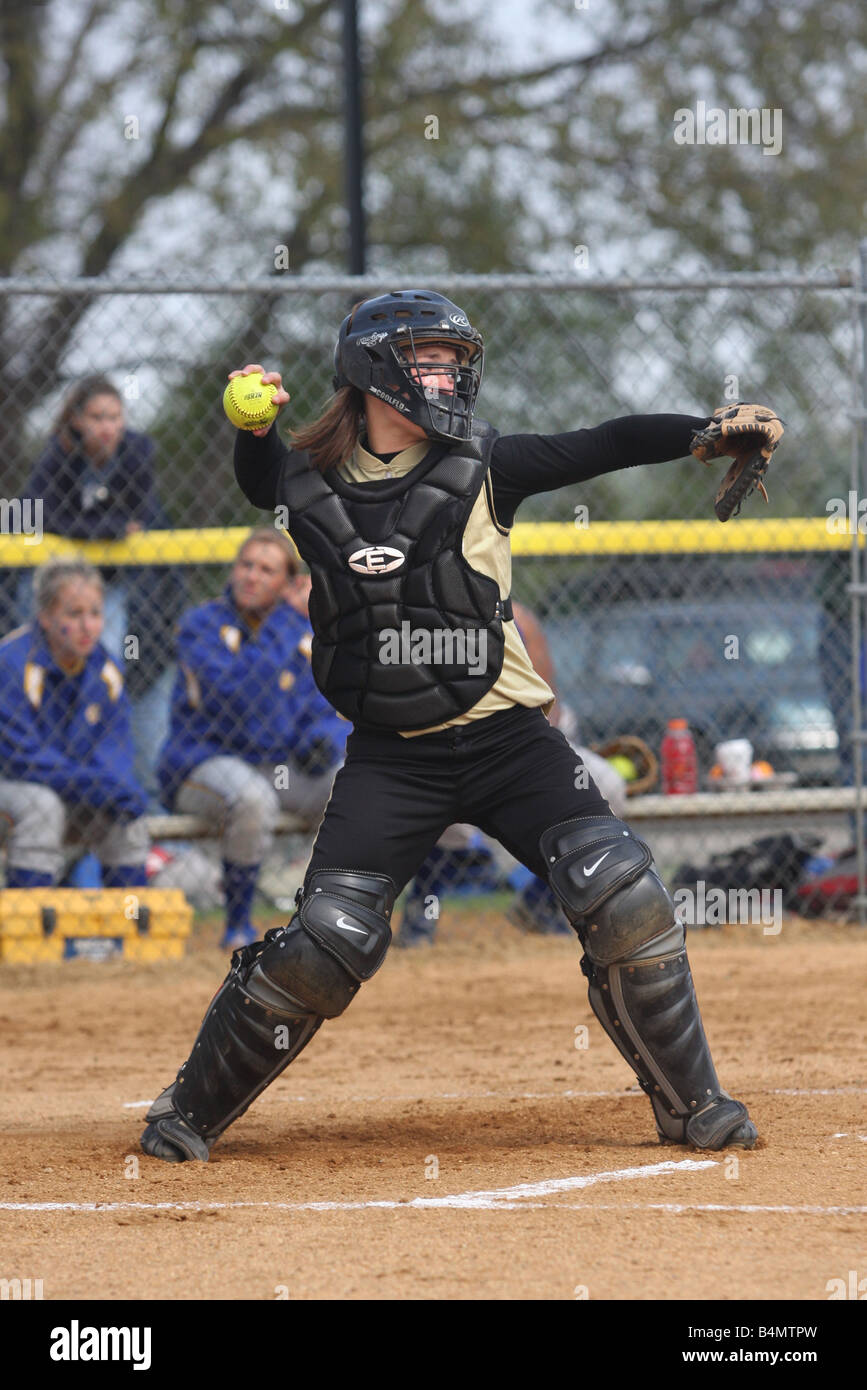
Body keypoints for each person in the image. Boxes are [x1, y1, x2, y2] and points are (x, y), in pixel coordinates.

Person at [141, 288, 770, 1164]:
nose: (447, 373)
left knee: (622, 895)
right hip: (392, 758)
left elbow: (606, 442)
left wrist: (703, 432)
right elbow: (263, 483)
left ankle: (693, 1104)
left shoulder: (486, 465)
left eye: (452, 359)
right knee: (326, 944)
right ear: (371, 372)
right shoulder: (310, 479)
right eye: (428, 357)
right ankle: (184, 1114)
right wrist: (252, 428)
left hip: (510, 741)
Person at [156, 529, 349, 949]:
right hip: (204, 763)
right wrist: (285, 621)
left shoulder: (297, 632)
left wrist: (320, 740)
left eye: (267, 570)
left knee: (349, 786)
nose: (252, 576)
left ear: (287, 583)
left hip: (273, 767)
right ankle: (238, 926)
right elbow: (240, 702)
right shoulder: (200, 626)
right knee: (251, 798)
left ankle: (324, 918)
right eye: (246, 565)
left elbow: (324, 708)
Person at [19, 376, 187, 794]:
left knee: (107, 649)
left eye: (114, 416)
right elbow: (39, 517)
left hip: (113, 585)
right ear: (76, 421)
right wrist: (108, 529)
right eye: (96, 417)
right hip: (62, 579)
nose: (107, 427)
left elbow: (142, 516)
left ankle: (106, 762)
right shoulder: (58, 455)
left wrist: (89, 530)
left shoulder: (137, 450)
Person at [0, 559, 148, 888]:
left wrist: (115, 785)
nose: (87, 626)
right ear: (45, 617)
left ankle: (125, 934)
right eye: (73, 614)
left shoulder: (104, 667)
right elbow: (23, 761)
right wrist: (96, 785)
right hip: (14, 789)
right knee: (42, 806)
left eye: (95, 613)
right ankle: (28, 935)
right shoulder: (11, 663)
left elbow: (116, 748)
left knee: (127, 816)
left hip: (74, 787)